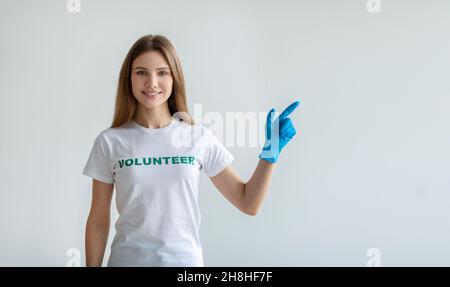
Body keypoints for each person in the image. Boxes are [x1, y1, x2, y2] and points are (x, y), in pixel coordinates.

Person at [82, 34, 300, 267]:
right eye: (141, 72)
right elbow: (98, 218)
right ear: (129, 78)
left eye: (162, 72)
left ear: (174, 77)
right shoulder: (110, 141)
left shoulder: (198, 137)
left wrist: (270, 153)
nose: (152, 83)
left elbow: (248, 203)